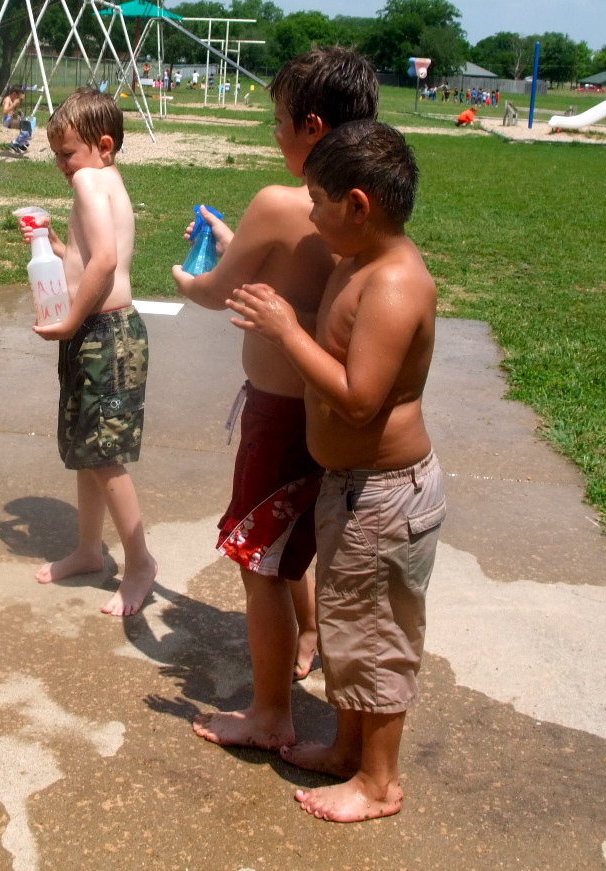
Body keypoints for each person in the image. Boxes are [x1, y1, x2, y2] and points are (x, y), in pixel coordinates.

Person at [227, 119, 446, 823]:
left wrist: (287, 331)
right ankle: (349, 750)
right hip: (353, 490)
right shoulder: (356, 260)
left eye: (318, 201)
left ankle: (379, 782)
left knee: (377, 639)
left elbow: (357, 400)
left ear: (358, 204)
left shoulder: (392, 283)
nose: (310, 213)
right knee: (351, 630)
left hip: (384, 496)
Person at [171, 47, 379, 749]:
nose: (274, 134)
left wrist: (185, 274)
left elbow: (213, 291)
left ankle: (270, 713)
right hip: (322, 414)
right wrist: (241, 243)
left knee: (258, 559)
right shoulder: (356, 213)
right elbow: (284, 276)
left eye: (278, 122)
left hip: (278, 411)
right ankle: (311, 633)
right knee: (291, 544)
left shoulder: (276, 202)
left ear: (312, 127)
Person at [19, 87, 157, 616]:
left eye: (66, 152)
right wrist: (53, 244)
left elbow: (103, 265)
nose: (61, 164)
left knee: (105, 454)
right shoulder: (105, 181)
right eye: (55, 153)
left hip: (106, 333)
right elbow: (85, 256)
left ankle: (140, 561)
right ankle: (87, 549)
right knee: (87, 448)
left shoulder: (88, 179)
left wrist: (69, 321)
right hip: (99, 331)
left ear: (102, 145)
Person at [1, 85, 33, 154]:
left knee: (28, 124)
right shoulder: (7, 99)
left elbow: (14, 110)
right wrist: (14, 104)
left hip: (11, 119)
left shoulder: (14, 100)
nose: (17, 97)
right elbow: (5, 111)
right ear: (14, 94)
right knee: (25, 125)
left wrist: (21, 99)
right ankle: (15, 142)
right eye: (17, 95)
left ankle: (22, 142)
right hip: (7, 120)